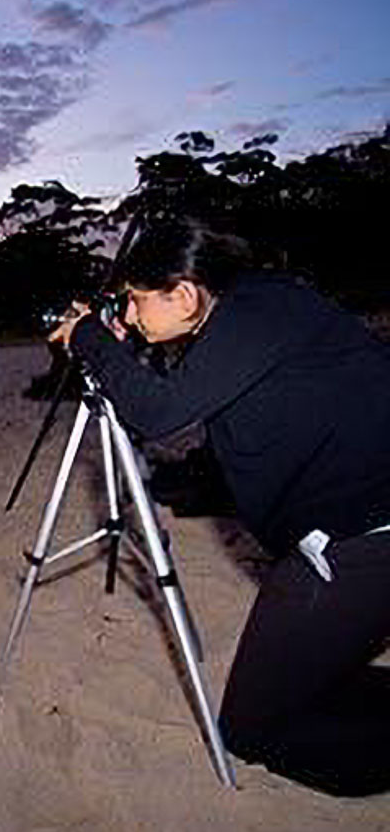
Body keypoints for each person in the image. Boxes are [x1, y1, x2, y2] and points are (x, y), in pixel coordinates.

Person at [49, 217, 390, 796]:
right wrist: (123, 340)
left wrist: (89, 336)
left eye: (136, 301)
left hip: (359, 543)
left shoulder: (254, 315)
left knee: (252, 731)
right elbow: (242, 428)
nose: (131, 316)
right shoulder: (256, 308)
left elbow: (157, 413)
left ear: (183, 294)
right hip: (355, 529)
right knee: (314, 682)